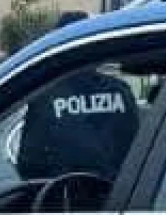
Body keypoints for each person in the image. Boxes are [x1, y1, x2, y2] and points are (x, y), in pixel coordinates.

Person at [14, 11, 140, 190]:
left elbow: (29, 163)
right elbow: (137, 149)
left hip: (64, 203)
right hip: (121, 196)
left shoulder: (46, 95)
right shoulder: (120, 91)